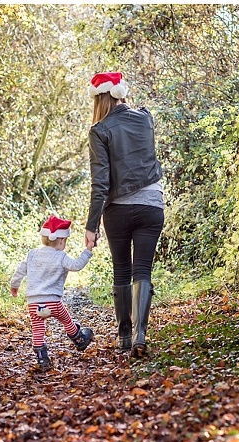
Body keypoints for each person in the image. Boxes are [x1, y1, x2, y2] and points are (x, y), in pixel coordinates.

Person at [84, 72, 165, 358]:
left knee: (122, 270)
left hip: (118, 210)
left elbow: (101, 183)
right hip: (152, 205)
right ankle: (142, 333)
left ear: (100, 98)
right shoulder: (145, 117)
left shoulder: (99, 130)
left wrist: (91, 226)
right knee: (142, 269)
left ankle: (124, 337)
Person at [10, 215, 94, 370]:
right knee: (67, 320)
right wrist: (87, 251)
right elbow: (76, 265)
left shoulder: (32, 254)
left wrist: (15, 285)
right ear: (61, 240)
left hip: (34, 303)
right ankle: (79, 340)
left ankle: (42, 359)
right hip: (53, 302)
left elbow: (20, 270)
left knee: (38, 329)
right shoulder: (61, 256)